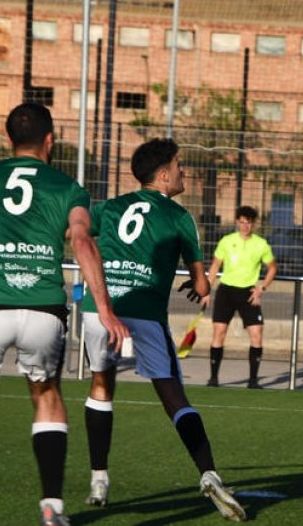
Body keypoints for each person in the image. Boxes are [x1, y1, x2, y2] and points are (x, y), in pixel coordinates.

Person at [0, 103, 130, 526]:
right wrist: (107, 311)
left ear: (8, 141)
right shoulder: (68, 188)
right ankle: (53, 509)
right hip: (44, 308)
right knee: (47, 397)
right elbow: (82, 242)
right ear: (51, 140)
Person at [80, 138, 246, 521]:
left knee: (101, 385)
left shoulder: (112, 206)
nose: (184, 171)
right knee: (174, 396)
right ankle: (209, 474)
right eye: (179, 164)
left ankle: (99, 479)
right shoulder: (178, 216)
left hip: (99, 309)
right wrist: (197, 284)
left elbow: (79, 230)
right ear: (164, 173)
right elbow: (202, 285)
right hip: (144, 312)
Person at [203, 205, 277, 388]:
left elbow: (273, 268)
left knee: (257, 334)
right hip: (226, 291)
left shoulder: (261, 244)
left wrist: (262, 288)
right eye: (242, 222)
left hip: (248, 293)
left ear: (254, 224)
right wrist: (206, 290)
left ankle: (253, 381)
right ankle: (213, 378)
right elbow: (214, 267)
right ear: (237, 222)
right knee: (219, 333)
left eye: (248, 223)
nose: (245, 226)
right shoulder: (226, 241)